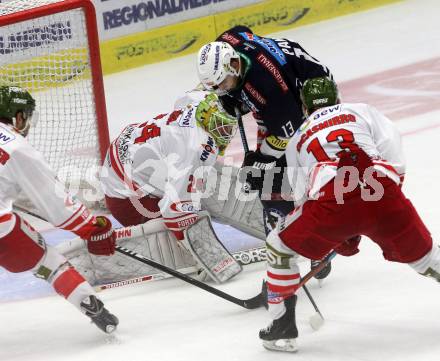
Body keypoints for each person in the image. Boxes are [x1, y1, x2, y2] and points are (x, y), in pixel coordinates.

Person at [258, 77, 436, 352]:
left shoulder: (298, 138)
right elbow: (393, 154)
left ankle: (282, 326)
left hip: (332, 200)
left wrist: (341, 231)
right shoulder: (360, 110)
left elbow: (304, 196)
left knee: (278, 247)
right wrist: (385, 200)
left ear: (304, 107)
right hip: (381, 191)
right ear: (338, 98)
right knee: (427, 257)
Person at [196, 25, 334, 279]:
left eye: (222, 83)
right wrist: (231, 94)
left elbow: (286, 131)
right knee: (266, 177)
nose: (221, 89)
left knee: (284, 174)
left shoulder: (266, 86)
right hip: (281, 96)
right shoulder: (228, 44)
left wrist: (260, 158)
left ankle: (317, 243)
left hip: (311, 101)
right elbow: (240, 30)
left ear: (234, 67)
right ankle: (284, 230)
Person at [0, 85, 118, 333]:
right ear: (17, 115)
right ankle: (94, 308)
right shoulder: (16, 147)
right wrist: (92, 227)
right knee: (48, 262)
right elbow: (56, 204)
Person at [100, 91, 244, 283]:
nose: (226, 134)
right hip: (126, 200)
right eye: (222, 126)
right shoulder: (196, 148)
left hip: (126, 154)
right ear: (208, 117)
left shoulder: (203, 101)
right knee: (187, 214)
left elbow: (184, 98)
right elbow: (174, 210)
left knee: (197, 183)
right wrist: (204, 257)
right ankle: (118, 254)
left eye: (229, 128)